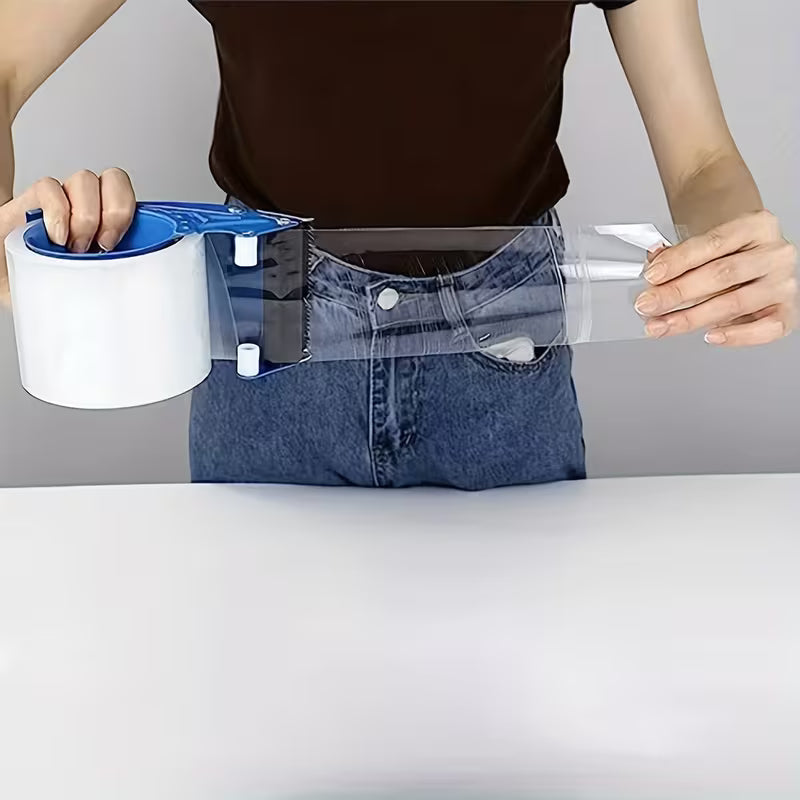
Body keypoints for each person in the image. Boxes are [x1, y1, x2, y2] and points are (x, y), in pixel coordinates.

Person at [0, 0, 796, 489]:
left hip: (504, 348)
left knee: (521, 692)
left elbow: (702, 161)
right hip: (268, 333)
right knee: (255, 679)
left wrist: (732, 255)